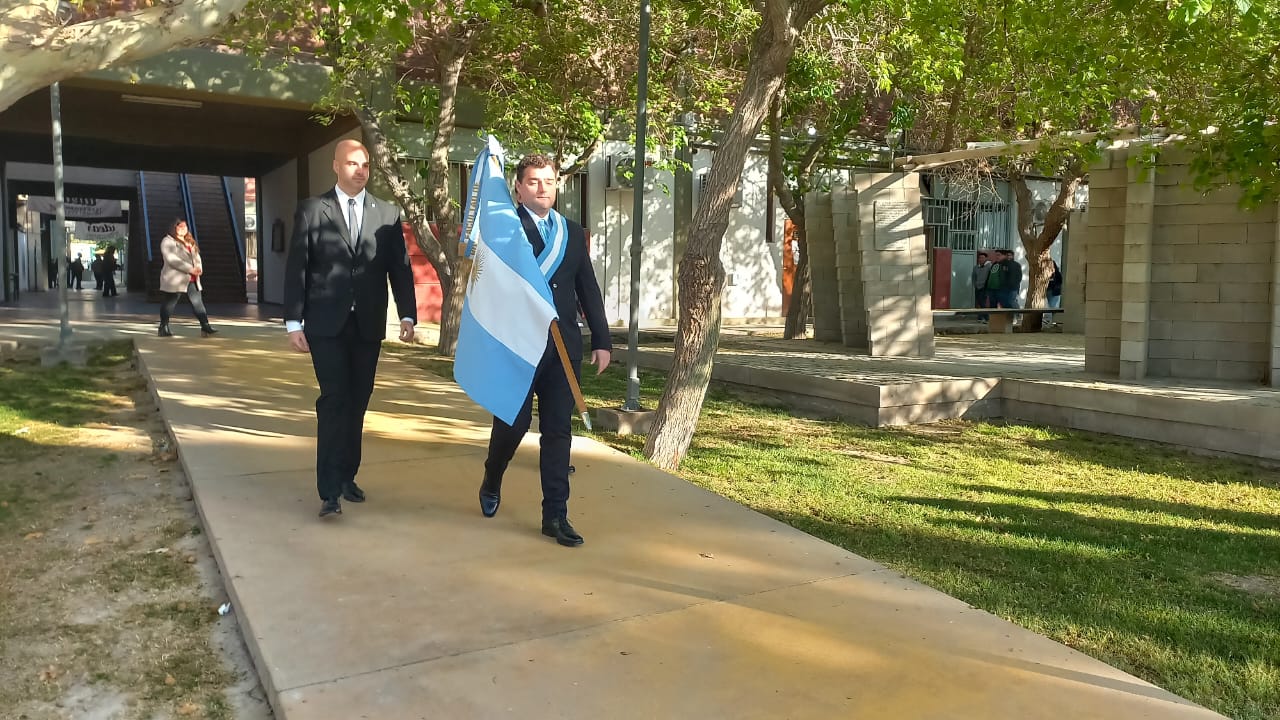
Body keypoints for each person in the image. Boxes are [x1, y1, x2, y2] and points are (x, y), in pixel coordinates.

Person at [477, 153, 611, 547]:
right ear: (518, 188)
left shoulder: (570, 231)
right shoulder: (504, 230)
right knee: (513, 426)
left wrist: (602, 340)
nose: (542, 188)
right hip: (518, 347)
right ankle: (492, 475)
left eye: (549, 181)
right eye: (533, 181)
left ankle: (555, 515)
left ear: (557, 185)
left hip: (562, 349)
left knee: (558, 433)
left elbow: (587, 287)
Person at [284, 138, 417, 519]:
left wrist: (407, 314)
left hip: (368, 325)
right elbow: (298, 268)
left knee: (358, 402)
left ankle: (346, 476)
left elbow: (400, 268)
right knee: (334, 400)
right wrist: (294, 322)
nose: (361, 170)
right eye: (353, 163)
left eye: (366, 165)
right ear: (336, 166)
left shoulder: (388, 213)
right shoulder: (312, 210)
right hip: (325, 325)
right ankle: (328, 491)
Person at [158, 219, 218, 337]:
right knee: (170, 303)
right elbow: (172, 260)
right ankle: (163, 327)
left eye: (185, 227)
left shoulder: (189, 241)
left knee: (198, 303)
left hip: (193, 278)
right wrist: (190, 269)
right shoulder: (167, 241)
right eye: (180, 227)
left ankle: (205, 326)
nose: (183, 229)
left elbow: (197, 257)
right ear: (173, 228)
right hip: (175, 279)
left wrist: (199, 268)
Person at [971, 251, 992, 320]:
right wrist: (975, 284)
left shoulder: (989, 266)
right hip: (977, 287)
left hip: (985, 287)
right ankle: (980, 316)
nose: (981, 259)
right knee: (979, 302)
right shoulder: (976, 267)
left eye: (983, 258)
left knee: (982, 302)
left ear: (986, 258)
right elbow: (973, 277)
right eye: (980, 258)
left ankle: (986, 317)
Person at [1046, 258, 1063, 323]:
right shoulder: (1047, 273)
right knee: (1052, 305)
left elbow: (1060, 281)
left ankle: (1051, 320)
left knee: (1052, 306)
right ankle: (1053, 320)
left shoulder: (1057, 273)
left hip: (1055, 291)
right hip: (1049, 291)